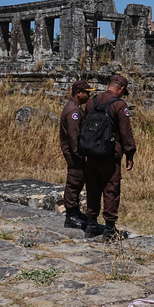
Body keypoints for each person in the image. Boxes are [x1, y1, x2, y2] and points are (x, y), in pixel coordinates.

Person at [83, 73, 136, 241]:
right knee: (111, 190)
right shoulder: (119, 105)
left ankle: (91, 225)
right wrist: (130, 153)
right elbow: (125, 132)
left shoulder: (92, 101)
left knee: (92, 187)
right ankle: (110, 229)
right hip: (110, 155)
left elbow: (84, 126)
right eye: (123, 91)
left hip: (90, 153)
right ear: (120, 88)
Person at [59, 80, 94, 229]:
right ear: (78, 93)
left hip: (76, 153)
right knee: (74, 182)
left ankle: (75, 211)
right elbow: (74, 137)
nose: (89, 95)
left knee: (78, 182)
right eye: (86, 92)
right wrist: (79, 155)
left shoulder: (76, 107)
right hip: (75, 155)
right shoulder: (73, 111)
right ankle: (71, 215)